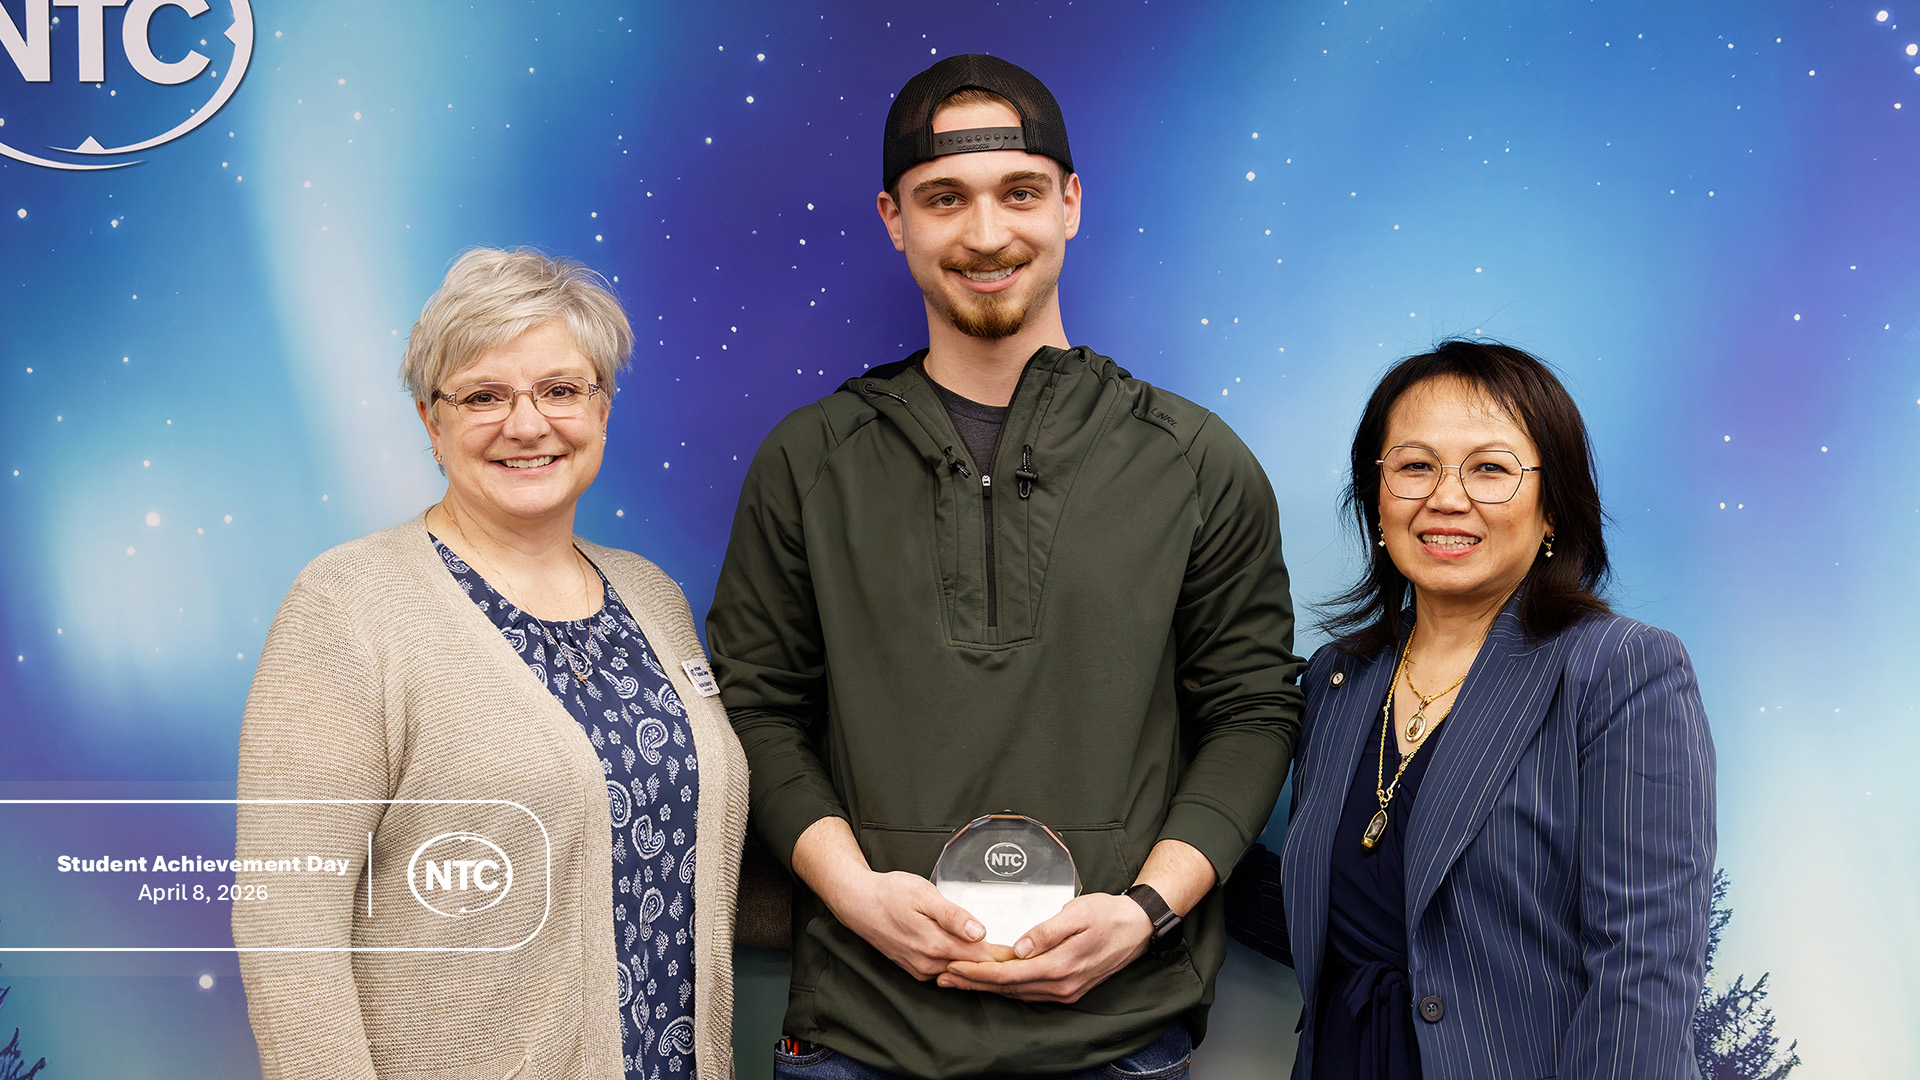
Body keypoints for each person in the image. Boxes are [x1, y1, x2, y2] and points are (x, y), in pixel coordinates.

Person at [707, 55, 1305, 1080]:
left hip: (1119, 1037)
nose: (987, 235)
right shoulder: (807, 462)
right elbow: (759, 707)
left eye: (1019, 193)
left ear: (1070, 204)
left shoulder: (1197, 462)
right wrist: (851, 891)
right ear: (895, 218)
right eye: (946, 199)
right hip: (859, 1034)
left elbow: (1251, 712)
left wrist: (1147, 911)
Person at [233, 248, 749, 1080]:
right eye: (483, 396)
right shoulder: (349, 606)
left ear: (602, 407)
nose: (527, 424)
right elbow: (286, 919)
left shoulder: (652, 598)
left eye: (559, 389)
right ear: (431, 425)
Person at [1225, 340, 1716, 1079]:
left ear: (1554, 508)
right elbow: (1351, 923)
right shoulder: (1339, 679)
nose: (1446, 498)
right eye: (1415, 466)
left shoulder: (1619, 670)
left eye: (1490, 469)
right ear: (1377, 495)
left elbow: (1644, 972)